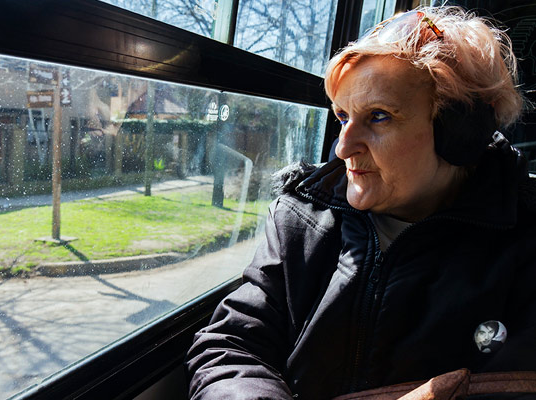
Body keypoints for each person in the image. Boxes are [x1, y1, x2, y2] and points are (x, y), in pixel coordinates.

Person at [186, 6, 536, 400]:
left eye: (379, 116)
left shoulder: (523, 248)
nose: (343, 146)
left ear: (462, 133)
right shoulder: (301, 217)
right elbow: (232, 344)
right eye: (342, 116)